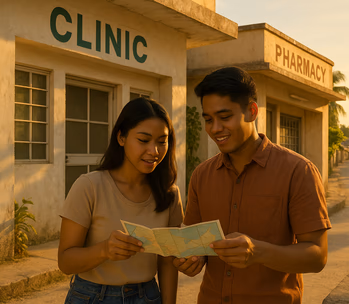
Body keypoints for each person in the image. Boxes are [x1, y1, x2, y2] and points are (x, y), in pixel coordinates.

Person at [173, 67, 331, 304]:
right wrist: (189, 260)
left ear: (252, 111)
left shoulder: (298, 171)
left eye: (225, 117)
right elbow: (194, 246)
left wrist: (258, 252)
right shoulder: (201, 175)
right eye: (208, 119)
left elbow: (317, 256)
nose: (215, 128)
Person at [58, 97, 183, 304]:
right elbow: (65, 262)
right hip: (91, 296)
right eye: (144, 140)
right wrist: (104, 250)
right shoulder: (89, 186)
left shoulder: (169, 194)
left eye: (162, 141)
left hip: (148, 297)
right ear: (121, 137)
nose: (154, 151)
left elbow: (167, 262)